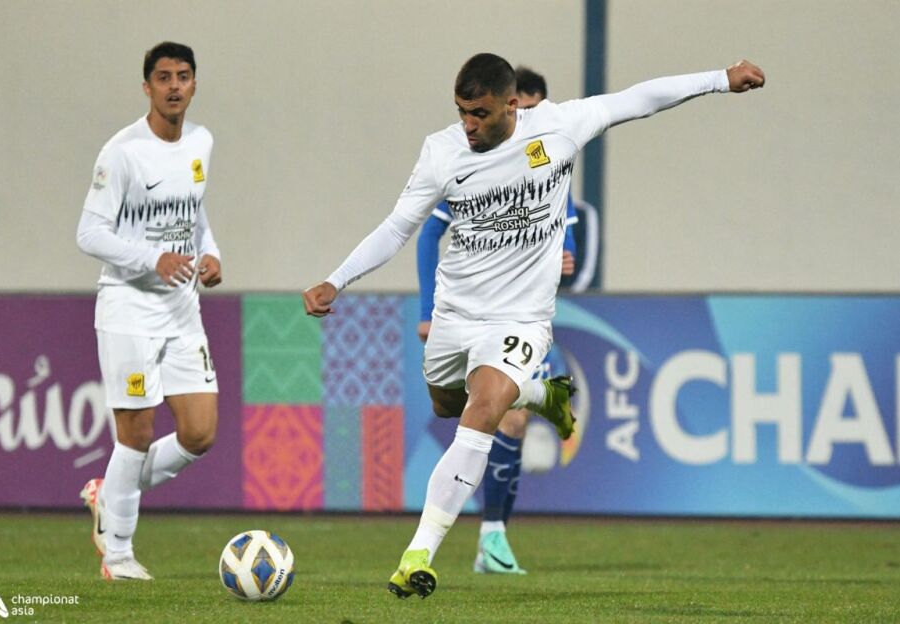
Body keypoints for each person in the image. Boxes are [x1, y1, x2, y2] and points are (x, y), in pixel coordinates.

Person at [302, 53, 765, 599]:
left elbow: (638, 99)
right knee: (447, 404)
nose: (468, 124)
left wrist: (719, 80)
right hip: (456, 314)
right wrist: (337, 279)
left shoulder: (558, 127)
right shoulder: (442, 152)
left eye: (479, 113)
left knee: (482, 411)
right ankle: (543, 394)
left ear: (512, 105)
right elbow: (398, 227)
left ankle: (418, 554)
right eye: (461, 112)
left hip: (521, 319)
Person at [415, 66, 578, 575]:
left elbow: (570, 242)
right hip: (475, 313)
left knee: (508, 418)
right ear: (510, 105)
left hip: (525, 313)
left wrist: (568, 258)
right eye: (523, 106)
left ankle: (493, 536)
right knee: (461, 406)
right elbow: (426, 234)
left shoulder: (551, 159)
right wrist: (427, 311)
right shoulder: (477, 163)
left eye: (537, 107)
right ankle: (541, 396)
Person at [76, 41, 222, 581]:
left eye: (183, 75)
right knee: (134, 435)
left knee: (200, 433)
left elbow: (194, 213)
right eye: (163, 77)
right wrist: (150, 259)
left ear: (194, 83)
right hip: (129, 309)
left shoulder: (201, 142)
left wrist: (211, 253)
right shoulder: (122, 152)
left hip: (182, 308)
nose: (174, 86)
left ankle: (109, 492)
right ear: (147, 87)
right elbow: (89, 232)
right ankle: (118, 556)